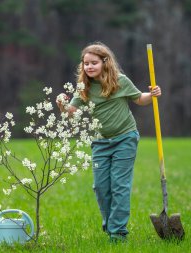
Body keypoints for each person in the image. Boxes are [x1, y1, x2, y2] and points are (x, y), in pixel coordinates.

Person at [56, 42, 161, 243]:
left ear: (105, 62)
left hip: (125, 138)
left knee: (119, 186)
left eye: (94, 63)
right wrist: (62, 105)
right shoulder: (83, 87)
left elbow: (140, 99)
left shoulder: (120, 81)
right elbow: (72, 112)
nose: (89, 67)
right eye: (86, 63)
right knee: (101, 187)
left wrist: (153, 94)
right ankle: (110, 224)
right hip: (100, 143)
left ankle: (118, 232)